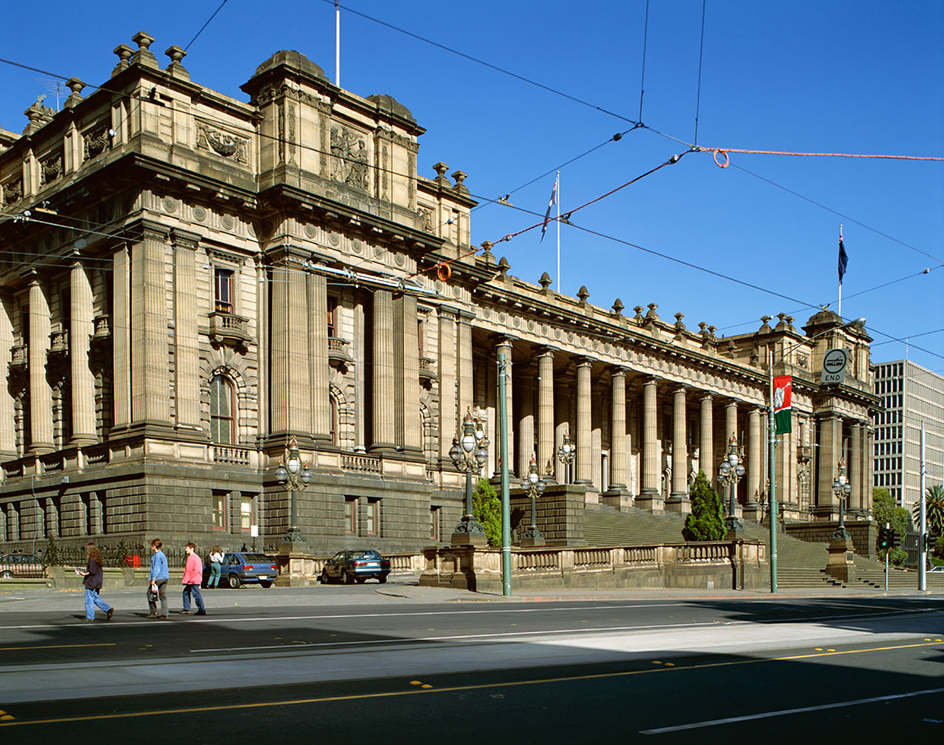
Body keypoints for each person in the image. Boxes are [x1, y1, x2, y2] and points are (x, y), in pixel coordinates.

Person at [77, 543, 113, 622]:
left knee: (89, 599)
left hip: (91, 582)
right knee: (95, 597)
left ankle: (90, 616)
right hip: (97, 581)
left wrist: (83, 573)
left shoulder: (91, 559)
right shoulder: (98, 559)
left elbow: (91, 571)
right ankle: (108, 608)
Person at [181, 543, 206, 616]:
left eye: (187, 548)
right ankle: (187, 608)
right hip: (195, 579)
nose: (186, 550)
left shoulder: (191, 558)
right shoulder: (197, 557)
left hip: (193, 579)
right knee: (186, 592)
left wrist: (186, 579)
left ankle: (201, 609)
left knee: (196, 595)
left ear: (192, 549)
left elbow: (190, 570)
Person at [147, 538, 169, 619]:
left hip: (158, 578)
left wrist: (153, 579)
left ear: (155, 546)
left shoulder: (157, 556)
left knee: (150, 593)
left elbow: (157, 568)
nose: (151, 547)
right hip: (165, 577)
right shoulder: (162, 555)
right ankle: (164, 613)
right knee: (163, 595)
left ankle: (153, 611)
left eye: (152, 545)